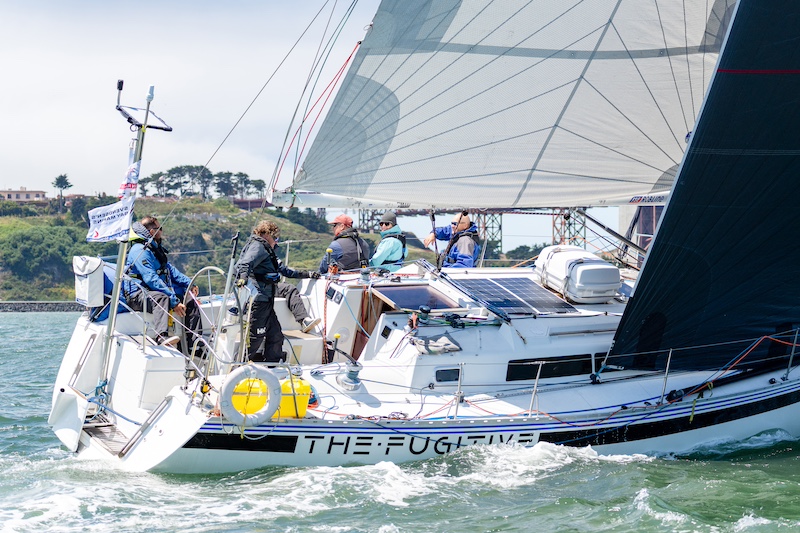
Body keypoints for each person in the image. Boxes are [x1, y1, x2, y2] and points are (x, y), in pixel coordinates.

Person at [235, 221, 320, 363]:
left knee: (275, 336)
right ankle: (237, 366)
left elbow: (285, 271)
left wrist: (308, 274)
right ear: (266, 234)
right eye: (275, 238)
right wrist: (243, 278)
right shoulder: (258, 247)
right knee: (255, 338)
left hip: (267, 299)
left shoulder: (266, 249)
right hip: (259, 301)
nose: (276, 242)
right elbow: (244, 264)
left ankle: (273, 366)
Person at [123, 216, 193, 346]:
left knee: (188, 299)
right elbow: (151, 279)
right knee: (161, 298)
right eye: (159, 228)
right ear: (152, 232)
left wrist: (189, 284)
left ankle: (193, 345)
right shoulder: (140, 250)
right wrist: (173, 301)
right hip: (137, 296)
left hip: (151, 292)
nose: (161, 231)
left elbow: (169, 270)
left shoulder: (154, 249)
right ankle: (161, 336)